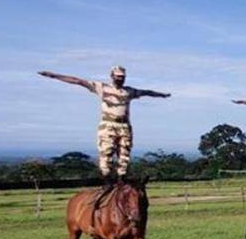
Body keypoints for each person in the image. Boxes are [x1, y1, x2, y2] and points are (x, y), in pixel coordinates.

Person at [38, 66, 171, 186]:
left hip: (124, 125)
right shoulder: (102, 87)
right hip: (108, 125)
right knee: (106, 152)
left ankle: (121, 179)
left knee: (124, 153)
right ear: (112, 76)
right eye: (118, 77)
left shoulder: (129, 91)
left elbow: (146, 92)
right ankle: (107, 179)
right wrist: (54, 75)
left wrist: (161, 95)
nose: (120, 79)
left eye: (122, 77)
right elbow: (78, 81)